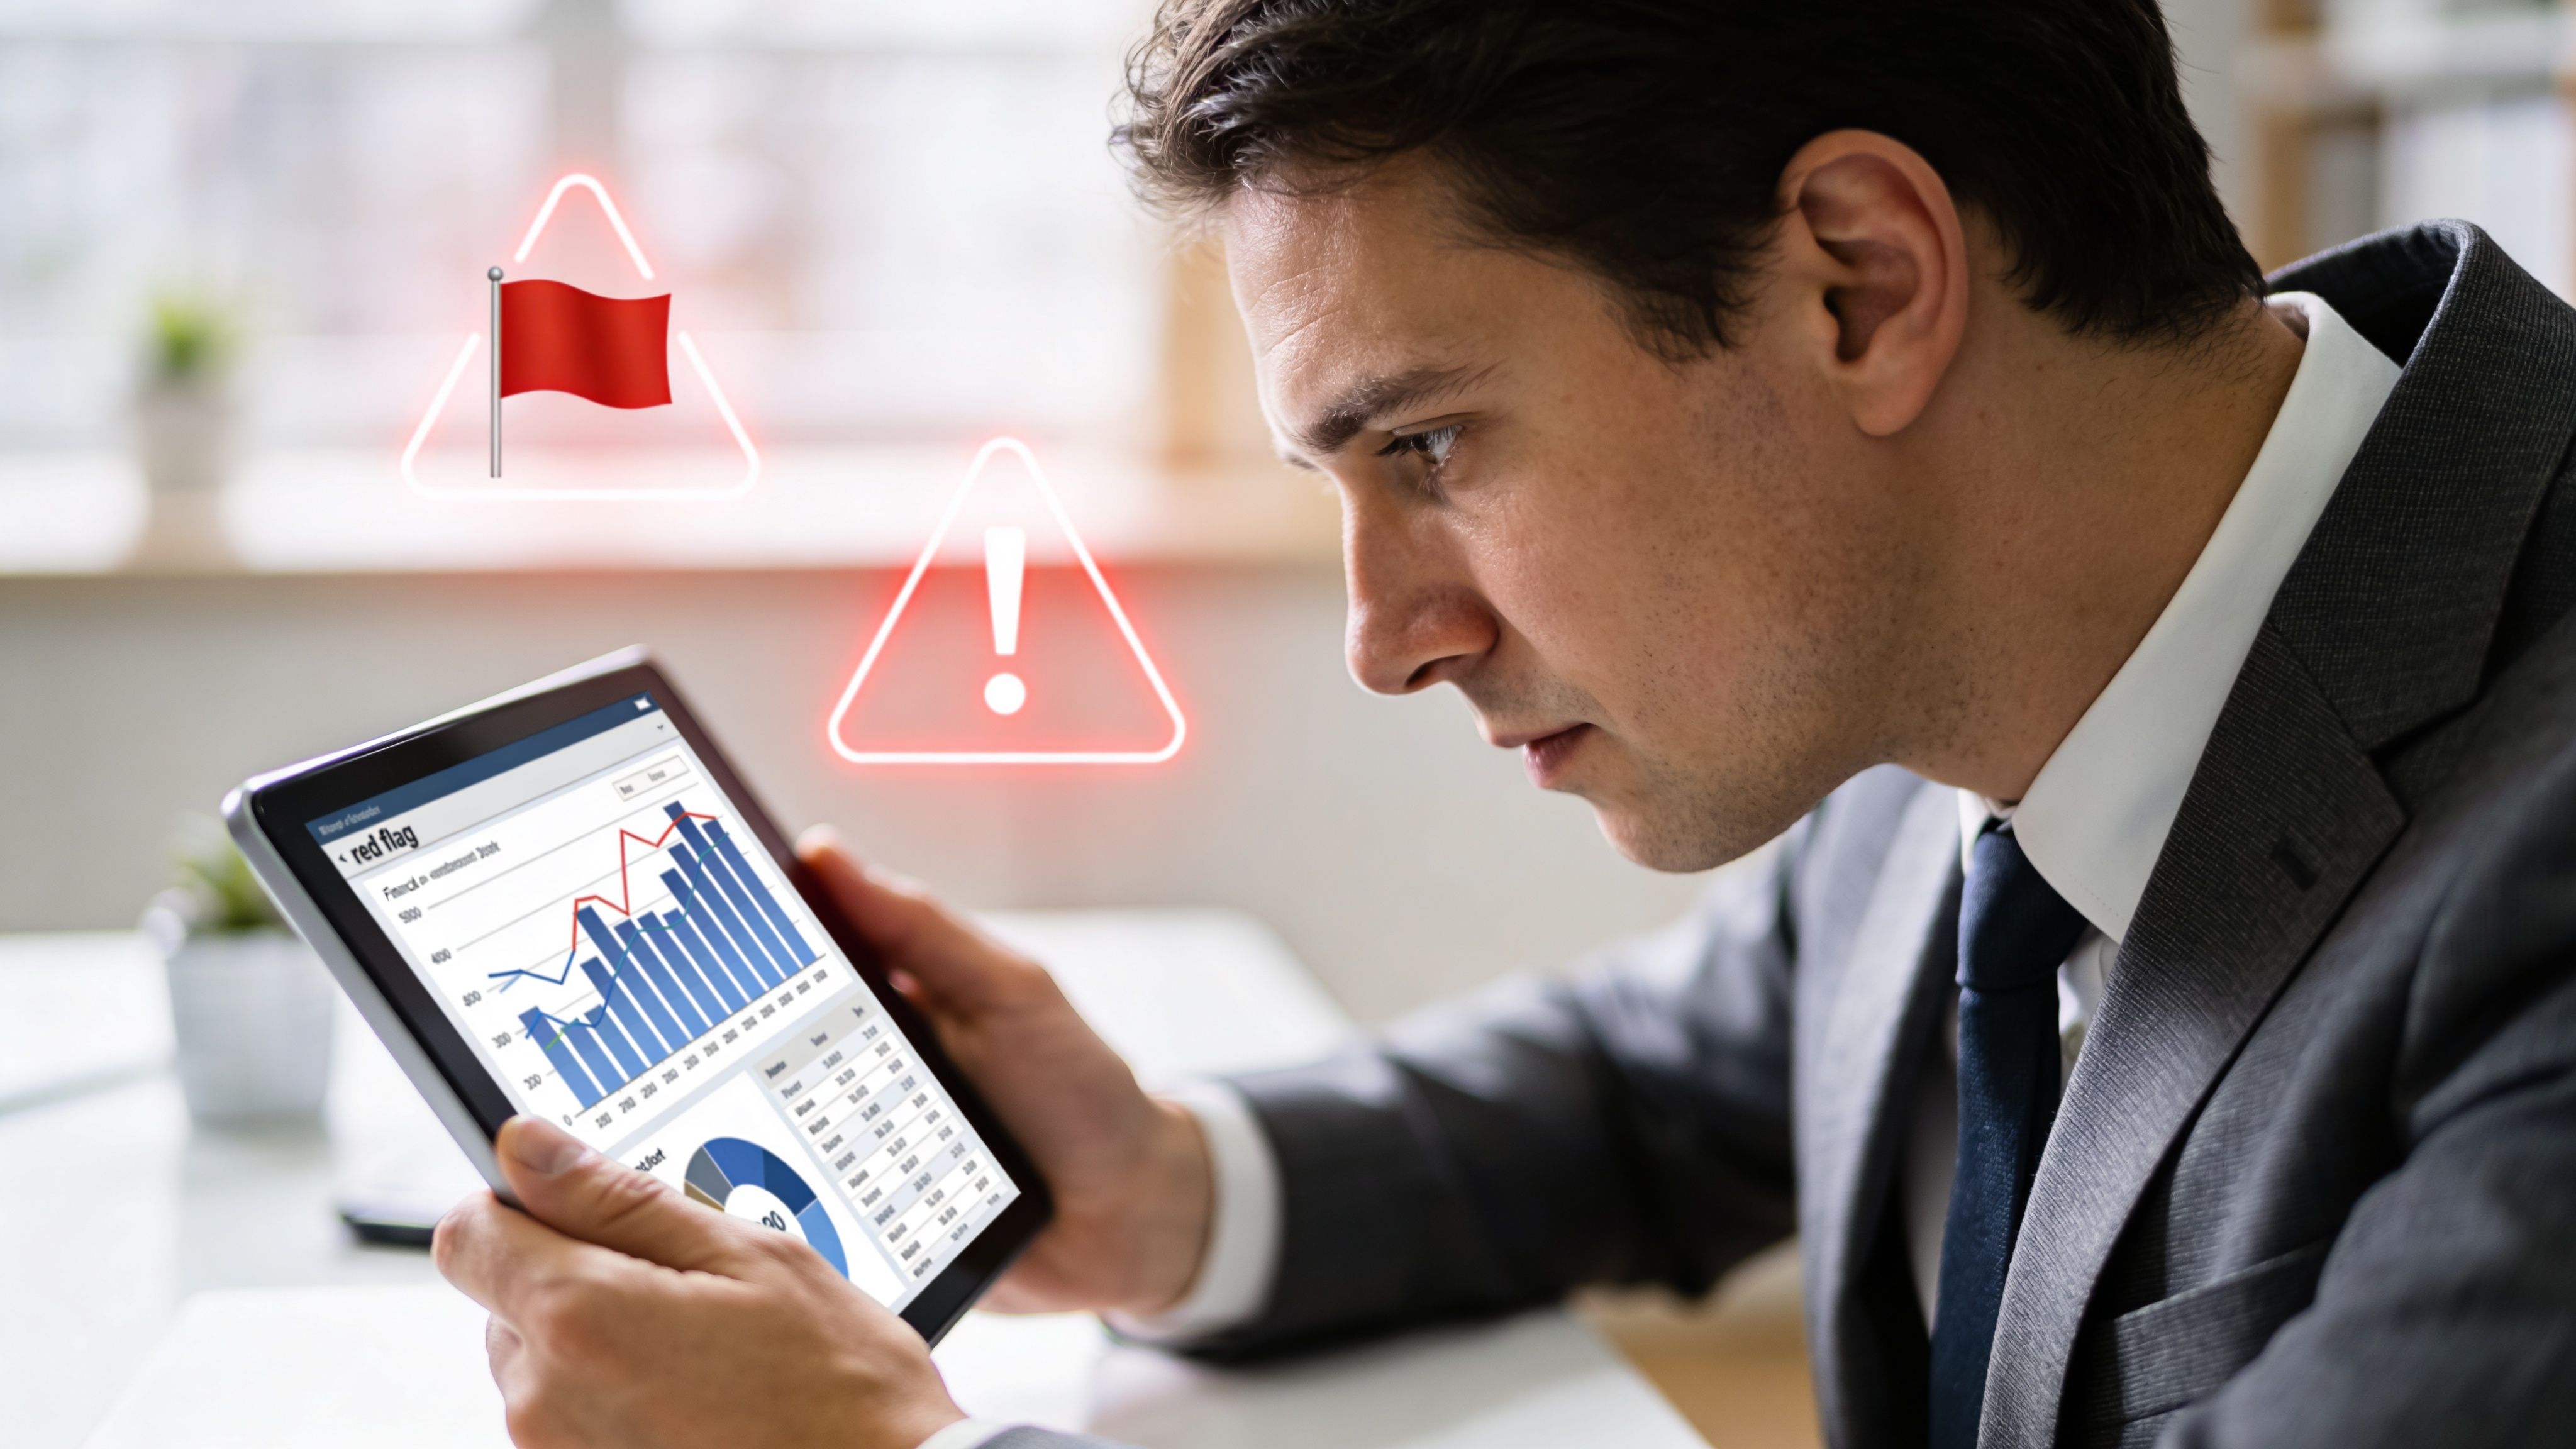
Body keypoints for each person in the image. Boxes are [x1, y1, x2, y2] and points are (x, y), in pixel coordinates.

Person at [433, 1, 2576, 1446]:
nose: (1386, 637)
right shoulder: (1947, 648)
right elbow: (1679, 1086)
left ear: (1858, 283)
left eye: (1434, 449)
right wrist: (1165, 1192)